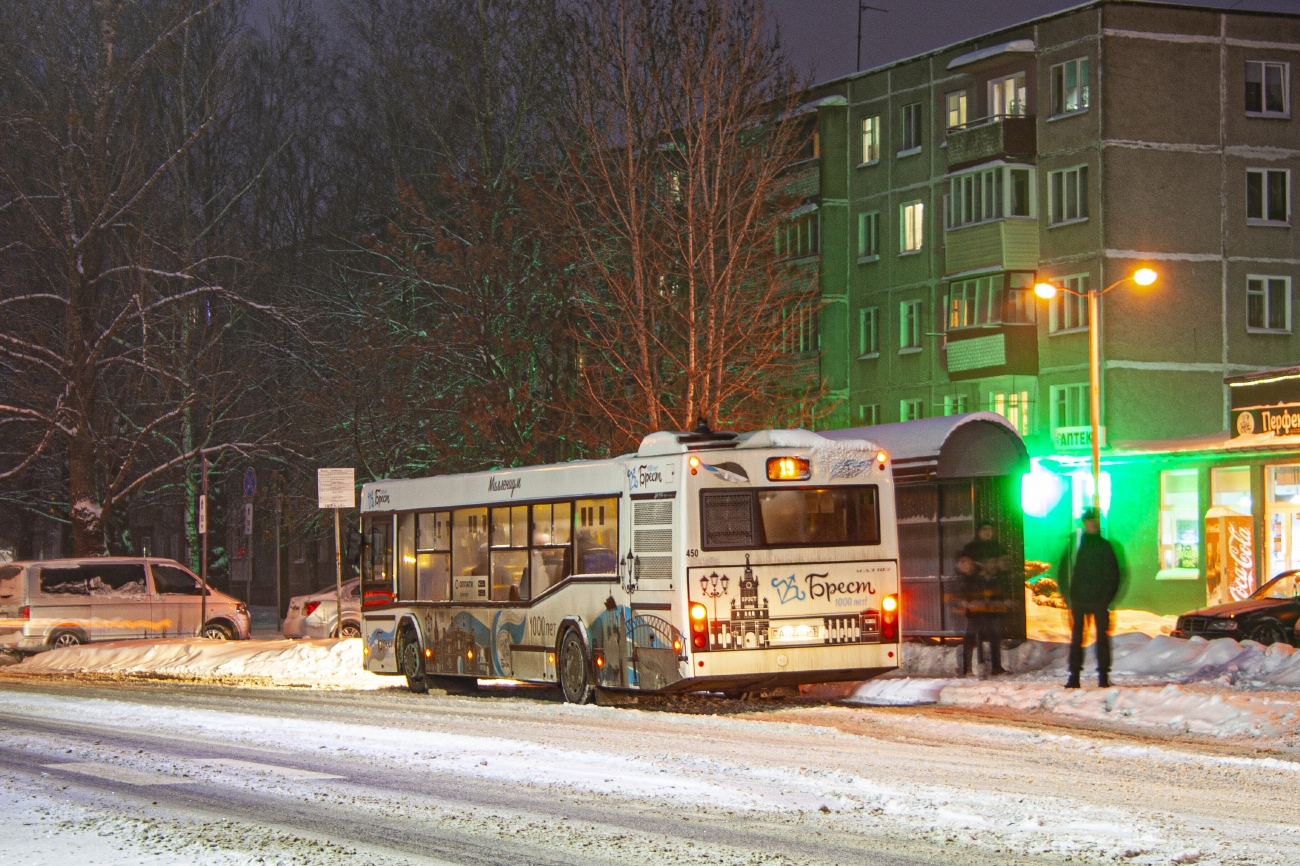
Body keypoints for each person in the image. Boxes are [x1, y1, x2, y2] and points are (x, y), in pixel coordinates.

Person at [1058, 507, 1122, 689]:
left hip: (1098, 600)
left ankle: (1102, 675)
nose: (1091, 524)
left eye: (1093, 521)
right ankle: (1074, 676)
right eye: (1088, 521)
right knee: (1077, 638)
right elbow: (1065, 570)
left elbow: (1114, 574)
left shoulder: (1103, 545)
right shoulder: (1076, 544)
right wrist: (1068, 598)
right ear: (1084, 523)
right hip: (1079, 600)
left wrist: (1107, 598)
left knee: (1100, 638)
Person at [955, 521, 1010, 676]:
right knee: (972, 631)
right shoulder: (970, 549)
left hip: (994, 595)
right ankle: (966, 668)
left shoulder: (999, 548)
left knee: (995, 632)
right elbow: (962, 570)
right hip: (976, 595)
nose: (987, 533)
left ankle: (996, 667)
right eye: (984, 529)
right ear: (978, 531)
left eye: (990, 530)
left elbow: (1006, 569)